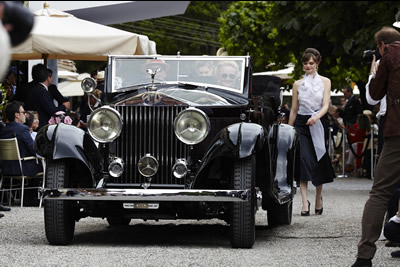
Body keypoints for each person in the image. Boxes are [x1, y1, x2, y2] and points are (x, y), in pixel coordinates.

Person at [352, 26, 400, 267]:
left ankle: (364, 257)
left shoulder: (390, 54)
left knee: (380, 193)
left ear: (381, 45)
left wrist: (374, 71)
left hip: (397, 132)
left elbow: (372, 97)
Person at [288, 48, 335, 217]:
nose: (308, 66)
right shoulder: (297, 84)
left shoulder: (325, 81)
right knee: (303, 160)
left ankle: (318, 198)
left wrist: (316, 118)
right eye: (305, 63)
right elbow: (294, 109)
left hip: (318, 121)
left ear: (317, 64)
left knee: (319, 160)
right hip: (301, 123)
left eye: (311, 63)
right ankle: (303, 202)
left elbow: (325, 105)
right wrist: (289, 129)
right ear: (302, 65)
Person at [0, 101, 42, 177]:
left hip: (5, 169)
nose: (25, 115)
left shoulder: (3, 130)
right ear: (17, 115)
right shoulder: (23, 129)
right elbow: (34, 150)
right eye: (23, 112)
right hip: (23, 168)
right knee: (46, 164)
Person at [23, 64, 70, 129]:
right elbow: (52, 110)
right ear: (47, 78)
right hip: (41, 125)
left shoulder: (33, 89)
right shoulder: (42, 91)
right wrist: (64, 106)